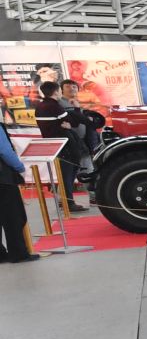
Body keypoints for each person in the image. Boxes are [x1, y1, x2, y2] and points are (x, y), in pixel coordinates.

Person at [32, 81, 89, 212]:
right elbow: (74, 121)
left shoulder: (40, 106)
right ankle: (68, 203)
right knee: (67, 175)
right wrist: (76, 110)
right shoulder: (54, 106)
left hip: (55, 144)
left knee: (65, 174)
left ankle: (66, 202)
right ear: (57, 91)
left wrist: (68, 122)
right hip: (65, 145)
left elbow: (68, 122)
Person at [0, 133, 36, 262]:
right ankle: (18, 253)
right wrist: (19, 167)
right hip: (3, 179)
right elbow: (4, 150)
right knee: (13, 217)